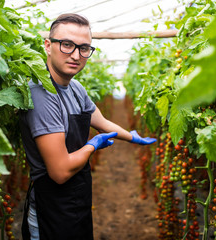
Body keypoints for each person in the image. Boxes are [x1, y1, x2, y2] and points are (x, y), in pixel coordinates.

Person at [19, 13, 156, 240]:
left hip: (77, 199)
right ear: (47, 46)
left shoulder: (76, 89)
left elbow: (100, 122)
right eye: (67, 45)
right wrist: (91, 146)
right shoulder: (41, 94)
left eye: (84, 48)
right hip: (51, 207)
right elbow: (60, 171)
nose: (76, 55)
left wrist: (131, 137)